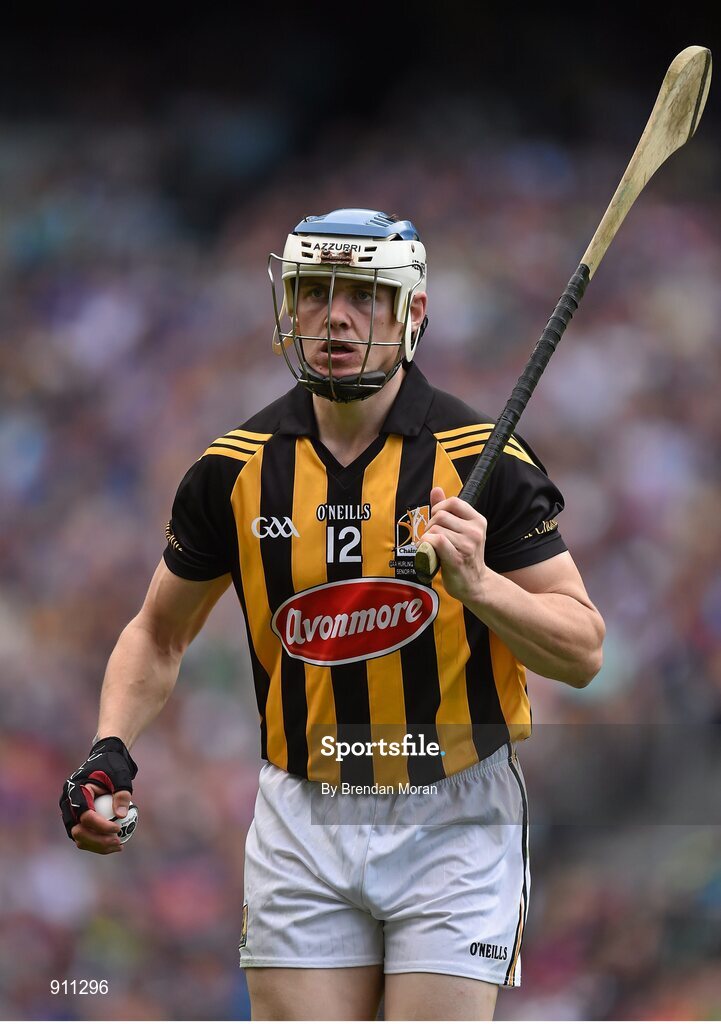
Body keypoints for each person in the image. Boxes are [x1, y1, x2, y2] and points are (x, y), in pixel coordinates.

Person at [60, 208, 605, 1021]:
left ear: (411, 313)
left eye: (364, 296)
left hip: (454, 817)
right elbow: (157, 632)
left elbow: (583, 650)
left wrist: (481, 586)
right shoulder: (232, 472)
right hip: (301, 817)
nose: (335, 317)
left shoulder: (479, 458)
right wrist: (110, 750)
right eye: (314, 293)